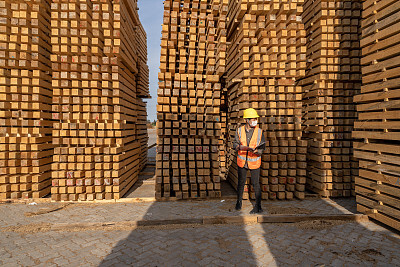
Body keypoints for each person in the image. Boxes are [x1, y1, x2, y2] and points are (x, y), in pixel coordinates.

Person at [233, 108, 265, 214]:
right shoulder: (239, 130)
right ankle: (238, 202)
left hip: (254, 161)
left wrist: (257, 151)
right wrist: (240, 147)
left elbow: (262, 147)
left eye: (255, 119)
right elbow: (234, 144)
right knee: (241, 183)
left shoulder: (259, 132)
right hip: (242, 161)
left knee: (256, 184)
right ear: (246, 120)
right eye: (252, 119)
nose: (255, 121)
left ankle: (258, 206)